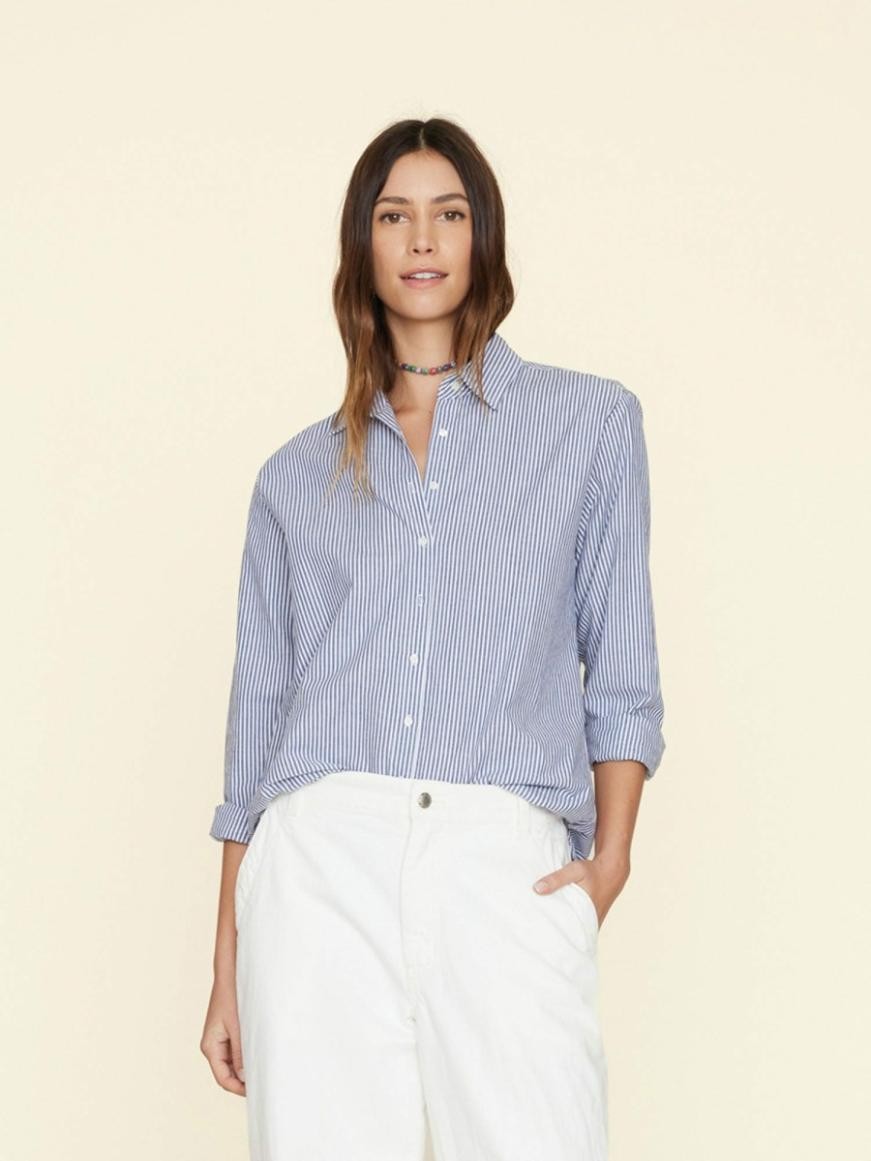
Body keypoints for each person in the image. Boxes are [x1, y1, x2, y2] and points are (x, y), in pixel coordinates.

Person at [200, 117, 665, 1161]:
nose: (421, 240)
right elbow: (256, 730)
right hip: (318, 862)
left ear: (480, 234)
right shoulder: (292, 478)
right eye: (393, 216)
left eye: (447, 214)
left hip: (499, 857)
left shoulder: (588, 425)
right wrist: (227, 963)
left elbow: (621, 670)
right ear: (361, 246)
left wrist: (609, 862)